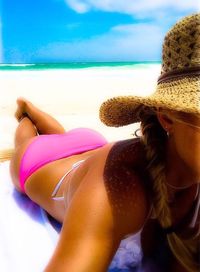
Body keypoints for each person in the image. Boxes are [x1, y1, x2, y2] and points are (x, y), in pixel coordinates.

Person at [10, 13, 200, 272]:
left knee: (59, 133)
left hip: (92, 147)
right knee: (27, 136)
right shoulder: (120, 187)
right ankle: (26, 112)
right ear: (167, 118)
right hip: (40, 160)